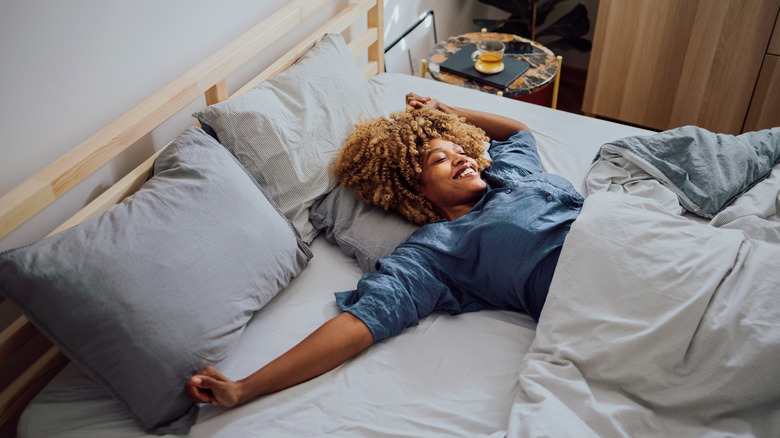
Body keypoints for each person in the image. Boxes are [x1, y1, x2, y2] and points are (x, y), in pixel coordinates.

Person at [185, 93, 583, 408]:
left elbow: (519, 134)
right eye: (439, 160)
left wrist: (446, 109)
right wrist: (244, 388)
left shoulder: (507, 172)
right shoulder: (437, 252)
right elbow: (361, 323)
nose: (461, 157)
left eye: (460, 150)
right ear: (416, 190)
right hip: (587, 288)